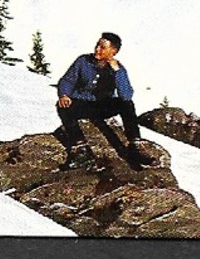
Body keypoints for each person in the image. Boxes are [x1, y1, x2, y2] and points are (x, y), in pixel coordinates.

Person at [55, 32, 144, 163]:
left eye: (103, 47)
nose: (97, 49)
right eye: (97, 45)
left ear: (113, 51)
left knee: (127, 105)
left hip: (103, 105)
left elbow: (126, 95)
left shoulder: (118, 69)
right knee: (63, 106)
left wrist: (116, 71)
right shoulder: (83, 61)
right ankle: (81, 147)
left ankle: (135, 144)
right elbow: (67, 80)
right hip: (83, 103)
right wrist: (64, 95)